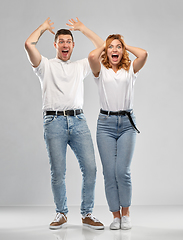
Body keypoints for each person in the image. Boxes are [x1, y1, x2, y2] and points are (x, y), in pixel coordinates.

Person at [24, 17, 104, 230]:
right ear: (55, 44)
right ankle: (61, 213)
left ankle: (87, 213)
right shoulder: (46, 66)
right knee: (58, 172)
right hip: (54, 122)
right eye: (61, 41)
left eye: (69, 41)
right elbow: (28, 44)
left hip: (78, 121)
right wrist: (42, 28)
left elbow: (102, 48)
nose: (65, 44)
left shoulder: (80, 66)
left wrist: (83, 28)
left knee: (91, 168)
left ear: (73, 45)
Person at [88, 34, 148, 230]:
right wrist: (105, 47)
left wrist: (125, 45)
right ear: (106, 51)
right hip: (105, 124)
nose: (115, 50)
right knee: (109, 173)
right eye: (111, 47)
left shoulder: (130, 69)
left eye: (118, 47)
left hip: (127, 124)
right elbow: (91, 57)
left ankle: (126, 213)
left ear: (123, 51)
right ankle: (115, 215)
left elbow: (144, 54)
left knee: (122, 172)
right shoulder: (101, 70)